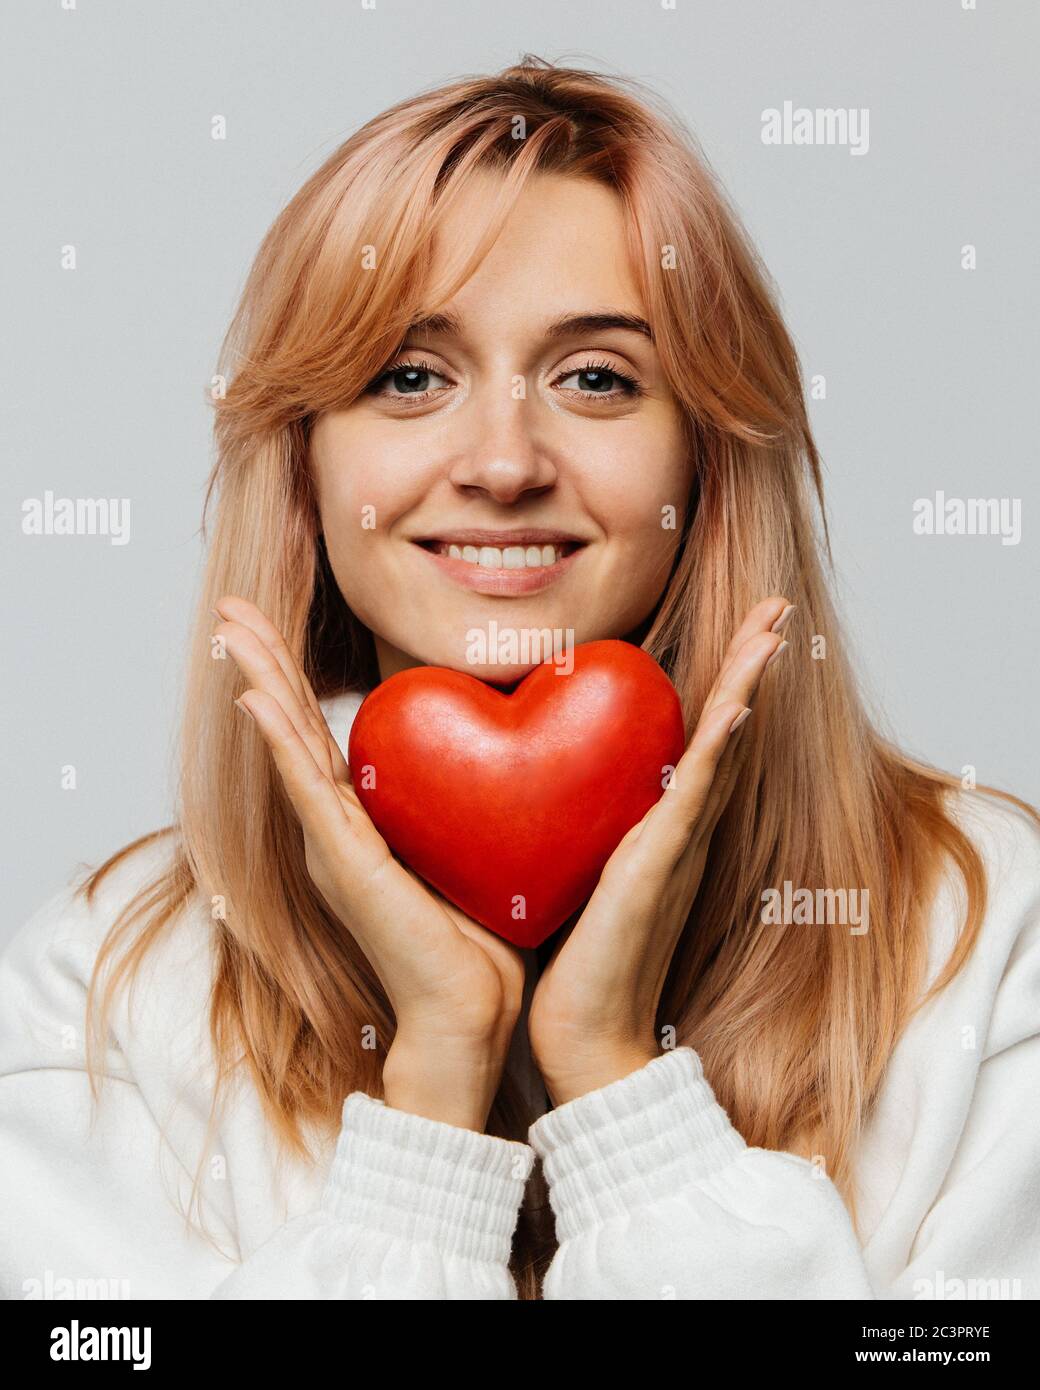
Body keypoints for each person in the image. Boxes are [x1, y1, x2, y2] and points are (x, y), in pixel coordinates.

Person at [2, 58, 1038, 1302]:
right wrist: (431, 1101)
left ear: (707, 461)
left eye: (595, 377)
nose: (501, 462)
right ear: (306, 469)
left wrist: (618, 1084)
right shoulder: (108, 987)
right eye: (408, 376)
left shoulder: (984, 935)